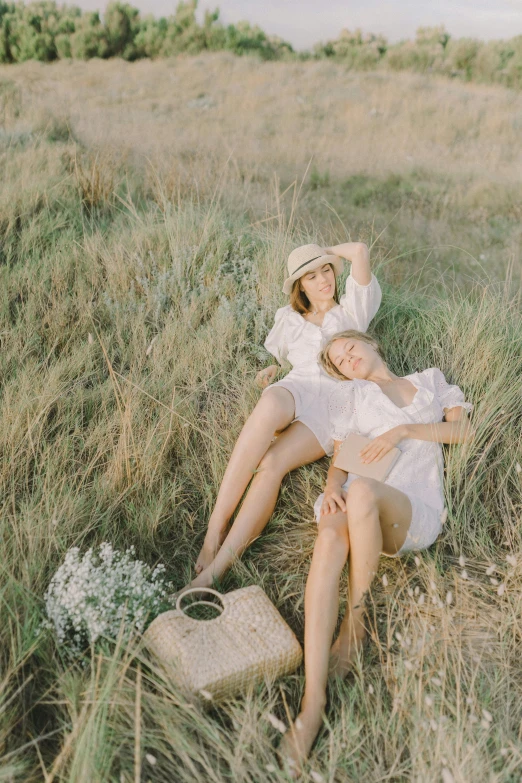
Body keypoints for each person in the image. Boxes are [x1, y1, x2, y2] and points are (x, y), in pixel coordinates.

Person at [279, 329, 473, 775]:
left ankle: (357, 622)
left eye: (350, 348)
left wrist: (403, 429)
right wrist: (330, 491)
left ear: (371, 344)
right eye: (338, 360)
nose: (347, 359)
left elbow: (462, 430)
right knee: (331, 534)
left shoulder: (429, 380)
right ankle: (312, 704)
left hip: (409, 506)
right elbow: (342, 460)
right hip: (353, 490)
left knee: (364, 491)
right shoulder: (356, 398)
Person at [184, 244, 382, 593]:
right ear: (300, 286)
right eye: (311, 275)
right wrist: (272, 369)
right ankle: (216, 526)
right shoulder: (288, 320)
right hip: (298, 386)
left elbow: (361, 253)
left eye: (326, 270)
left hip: (333, 405)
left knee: (272, 463)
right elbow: (283, 359)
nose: (322, 280)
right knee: (269, 406)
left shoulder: (351, 312)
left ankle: (215, 571)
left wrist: (328, 251)